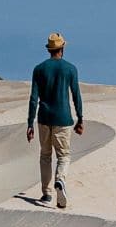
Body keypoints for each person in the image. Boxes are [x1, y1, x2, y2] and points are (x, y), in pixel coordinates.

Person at [26, 33, 85, 208]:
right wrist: (80, 118)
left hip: (43, 118)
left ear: (49, 49)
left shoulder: (39, 69)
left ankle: (46, 194)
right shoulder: (70, 69)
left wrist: (30, 123)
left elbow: (33, 98)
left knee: (45, 156)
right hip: (63, 119)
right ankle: (60, 180)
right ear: (62, 48)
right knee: (63, 155)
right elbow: (76, 95)